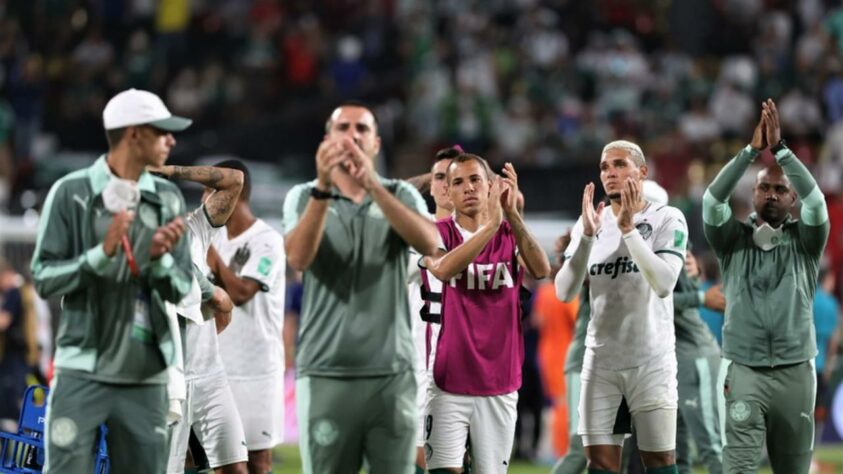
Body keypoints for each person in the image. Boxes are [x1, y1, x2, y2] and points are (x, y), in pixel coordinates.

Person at [31, 88, 193, 473]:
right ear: (134, 134)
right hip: (80, 371)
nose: (171, 139)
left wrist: (159, 262)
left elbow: (184, 288)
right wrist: (99, 257)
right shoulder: (71, 193)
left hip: (147, 374)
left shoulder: (169, 199)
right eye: (162, 130)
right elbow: (42, 278)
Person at [283, 102, 439, 473]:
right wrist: (323, 188)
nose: (352, 135)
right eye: (343, 127)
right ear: (327, 139)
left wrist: (373, 186)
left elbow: (432, 244)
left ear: (376, 144)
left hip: (392, 374)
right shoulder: (303, 196)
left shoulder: (401, 194)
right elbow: (298, 259)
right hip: (327, 373)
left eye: (362, 129)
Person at [703, 99, 829, 474]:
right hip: (744, 370)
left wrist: (783, 153)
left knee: (792, 469)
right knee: (738, 467)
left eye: (780, 189)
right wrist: (750, 152)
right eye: (764, 188)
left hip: (795, 371)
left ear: (792, 199)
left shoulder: (807, 243)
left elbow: (818, 203)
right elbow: (712, 200)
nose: (771, 194)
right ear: (753, 195)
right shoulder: (732, 240)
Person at [556, 140, 688, 474]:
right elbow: (564, 291)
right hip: (601, 362)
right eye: (604, 167)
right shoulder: (589, 223)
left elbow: (663, 283)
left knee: (659, 462)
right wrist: (585, 237)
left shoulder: (666, 218)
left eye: (619, 164)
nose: (610, 173)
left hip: (652, 361)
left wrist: (629, 231)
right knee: (599, 463)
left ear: (642, 172)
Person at [422, 154, 551, 472]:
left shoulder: (510, 234)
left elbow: (541, 268)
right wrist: (490, 226)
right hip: (448, 381)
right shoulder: (436, 232)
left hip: (500, 382)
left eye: (475, 179)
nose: (468, 187)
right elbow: (441, 269)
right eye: (458, 182)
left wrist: (511, 216)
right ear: (448, 194)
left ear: (491, 186)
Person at [153, 164, 249, 474]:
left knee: (236, 467)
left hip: (210, 374)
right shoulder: (135, 244)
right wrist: (213, 293)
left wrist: (172, 170)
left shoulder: (193, 229)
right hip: (166, 379)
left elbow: (235, 180)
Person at [205, 159, 286, 474]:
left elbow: (241, 294)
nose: (204, 202)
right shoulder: (214, 238)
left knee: (257, 463)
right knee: (219, 463)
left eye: (209, 193)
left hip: (256, 371)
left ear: (231, 194)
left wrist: (214, 263)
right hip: (216, 366)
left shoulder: (267, 241)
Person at [407, 145, 458, 474]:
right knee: (421, 456)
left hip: (470, 360)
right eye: (438, 178)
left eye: (452, 178)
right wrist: (428, 177)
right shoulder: (415, 229)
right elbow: (380, 197)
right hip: (420, 359)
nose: (443, 184)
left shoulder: (485, 233)